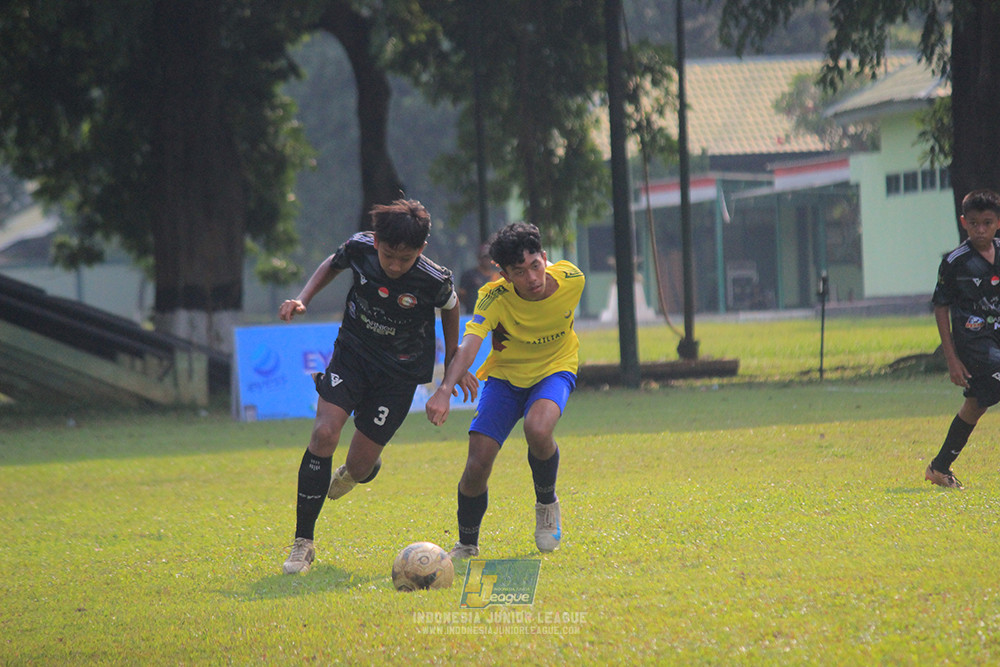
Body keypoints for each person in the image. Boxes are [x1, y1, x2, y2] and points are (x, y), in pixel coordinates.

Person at [278, 199, 475, 574]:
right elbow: (331, 265)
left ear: (422, 249)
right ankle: (303, 543)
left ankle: (361, 470)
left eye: (406, 258)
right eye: (388, 256)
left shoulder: (434, 279)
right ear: (377, 243)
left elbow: (450, 308)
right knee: (323, 434)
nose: (396, 266)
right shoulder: (359, 248)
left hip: (399, 375)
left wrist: (452, 360)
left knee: (359, 463)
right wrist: (303, 298)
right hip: (352, 354)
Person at [425, 222, 585, 558]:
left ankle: (546, 503)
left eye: (535, 266)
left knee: (538, 428)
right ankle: (467, 543)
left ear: (544, 257)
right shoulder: (493, 296)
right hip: (506, 379)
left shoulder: (573, 279)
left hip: (555, 369)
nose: (532, 278)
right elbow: (470, 344)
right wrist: (444, 388)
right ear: (505, 275)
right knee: (477, 464)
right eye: (519, 272)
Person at [925, 189, 1000, 489]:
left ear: (998, 222)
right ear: (963, 223)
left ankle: (939, 467)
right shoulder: (955, 262)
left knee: (978, 402)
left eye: (987, 222)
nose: (980, 230)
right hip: (972, 340)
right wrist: (951, 358)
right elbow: (940, 307)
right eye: (973, 224)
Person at [458, 243, 501, 313]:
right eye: (484, 257)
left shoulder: (497, 276)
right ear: (479, 258)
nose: (487, 260)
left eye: (489, 257)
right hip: (472, 313)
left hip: (493, 313)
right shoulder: (469, 275)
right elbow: (462, 294)